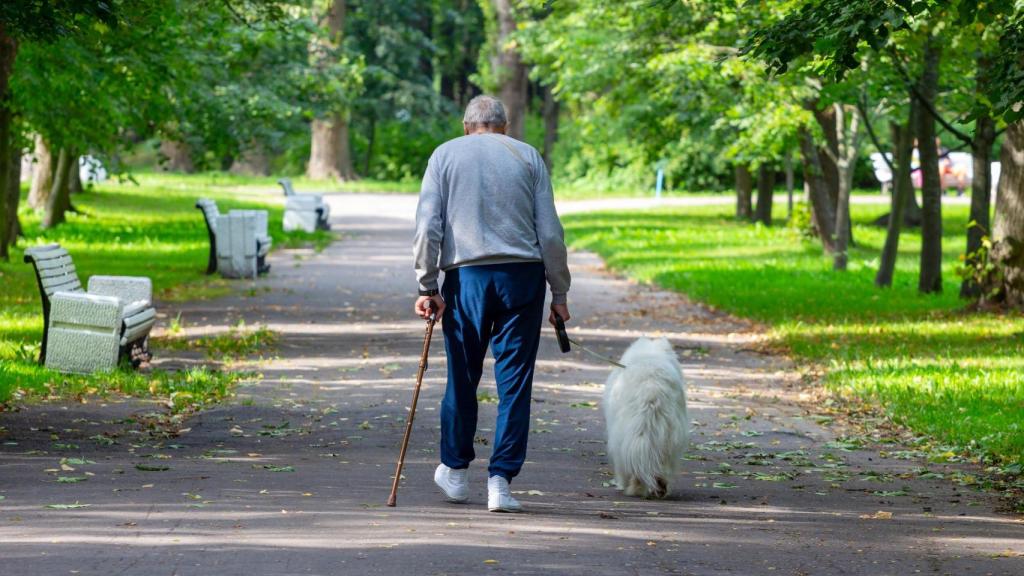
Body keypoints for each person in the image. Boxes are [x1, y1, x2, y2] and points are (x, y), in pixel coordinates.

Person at [412, 95, 571, 513]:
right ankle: (500, 482)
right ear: (505, 125)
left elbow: (428, 225)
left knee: (463, 378)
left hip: (468, 279)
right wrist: (560, 293)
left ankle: (456, 471)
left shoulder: (444, 155)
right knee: (515, 384)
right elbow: (550, 233)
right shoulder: (528, 157)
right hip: (523, 278)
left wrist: (428, 286)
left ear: (467, 126)